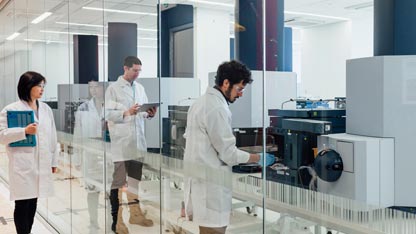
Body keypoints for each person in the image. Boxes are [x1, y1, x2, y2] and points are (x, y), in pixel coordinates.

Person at [183, 60, 274, 234]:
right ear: (226, 83)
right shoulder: (217, 108)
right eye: (239, 89)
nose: (240, 95)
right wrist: (259, 158)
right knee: (214, 230)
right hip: (211, 185)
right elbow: (229, 154)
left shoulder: (200, 102)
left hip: (201, 180)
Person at [0, 71, 58, 234]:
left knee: (33, 202)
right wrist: (24, 131)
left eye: (43, 86)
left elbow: (53, 136)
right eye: (38, 85)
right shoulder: (11, 109)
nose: (42, 89)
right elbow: (1, 136)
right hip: (22, 165)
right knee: (22, 204)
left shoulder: (46, 109)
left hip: (41, 164)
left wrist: (54, 161)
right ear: (27, 87)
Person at [105, 56, 157, 233]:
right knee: (119, 183)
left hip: (137, 143)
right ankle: (117, 221)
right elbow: (108, 115)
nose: (137, 73)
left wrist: (149, 113)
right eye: (135, 70)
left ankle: (135, 215)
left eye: (139, 71)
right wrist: (127, 112)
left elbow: (141, 114)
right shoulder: (113, 89)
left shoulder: (140, 88)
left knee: (135, 181)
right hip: (121, 144)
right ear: (125, 68)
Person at [73, 81, 106, 232]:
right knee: (92, 190)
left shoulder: (111, 106)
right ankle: (93, 223)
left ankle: (112, 224)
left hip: (109, 155)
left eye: (97, 86)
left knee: (111, 192)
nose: (93, 90)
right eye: (91, 87)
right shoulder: (83, 108)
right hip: (91, 154)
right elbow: (77, 133)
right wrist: (77, 157)